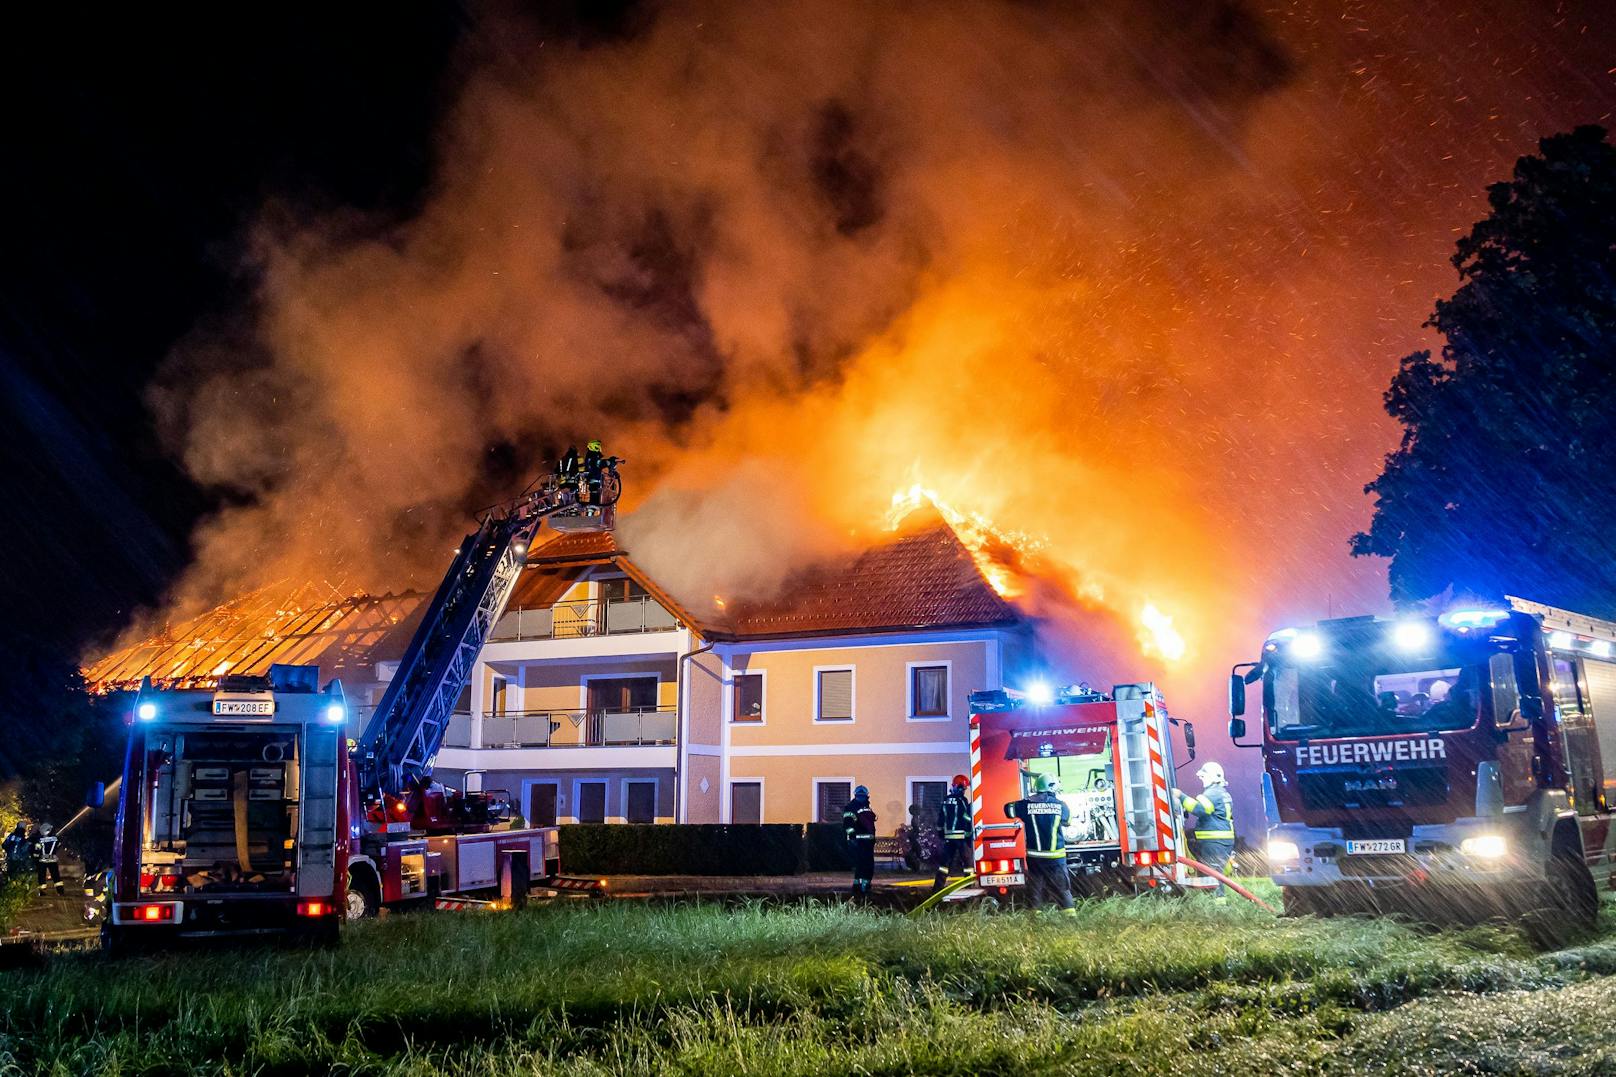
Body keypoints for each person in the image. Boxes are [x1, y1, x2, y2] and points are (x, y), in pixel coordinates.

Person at [1005, 774, 1073, 914]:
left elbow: (1008, 810)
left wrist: (1022, 803)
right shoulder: (1060, 805)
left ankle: (1035, 918)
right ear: (1051, 787)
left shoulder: (1025, 804)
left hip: (1035, 858)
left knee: (1035, 888)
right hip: (1056, 858)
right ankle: (1070, 917)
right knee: (1063, 889)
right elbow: (1068, 821)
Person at [1175, 761, 1236, 894]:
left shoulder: (1213, 793)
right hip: (1220, 840)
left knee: (1213, 874)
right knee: (1211, 873)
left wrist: (1181, 796)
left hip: (1215, 841)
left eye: (1204, 776)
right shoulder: (1221, 792)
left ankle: (1218, 905)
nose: (1202, 779)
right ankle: (1212, 901)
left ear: (1213, 776)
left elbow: (1200, 809)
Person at [933, 775, 973, 892]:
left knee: (944, 865)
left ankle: (937, 889)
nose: (964, 791)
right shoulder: (962, 801)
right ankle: (968, 886)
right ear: (960, 788)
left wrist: (940, 832)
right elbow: (966, 817)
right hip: (961, 837)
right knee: (967, 864)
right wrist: (969, 831)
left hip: (948, 837)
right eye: (964, 789)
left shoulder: (945, 800)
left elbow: (941, 818)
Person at [841, 785, 877, 901]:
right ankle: (863, 886)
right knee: (866, 865)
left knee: (862, 864)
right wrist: (852, 837)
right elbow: (848, 825)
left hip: (863, 840)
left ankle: (858, 885)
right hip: (862, 841)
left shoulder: (853, 807)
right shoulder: (862, 807)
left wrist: (852, 837)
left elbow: (848, 824)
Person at [32, 821, 63, 896]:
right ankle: (60, 891)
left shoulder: (39, 840)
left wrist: (35, 858)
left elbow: (37, 850)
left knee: (42, 875)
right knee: (56, 875)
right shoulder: (55, 839)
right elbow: (58, 845)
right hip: (52, 858)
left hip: (42, 859)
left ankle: (42, 892)